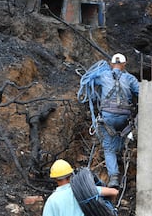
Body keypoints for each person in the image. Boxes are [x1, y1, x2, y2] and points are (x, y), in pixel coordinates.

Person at [94, 53, 139, 188]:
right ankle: (119, 159)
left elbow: (90, 83)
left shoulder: (102, 76)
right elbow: (143, 92)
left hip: (107, 117)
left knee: (108, 147)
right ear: (124, 64)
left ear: (111, 64)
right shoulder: (130, 78)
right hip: (125, 117)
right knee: (120, 134)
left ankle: (114, 177)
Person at [42, 159, 119, 216]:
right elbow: (114, 192)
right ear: (71, 174)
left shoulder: (52, 201)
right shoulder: (85, 190)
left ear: (55, 179)